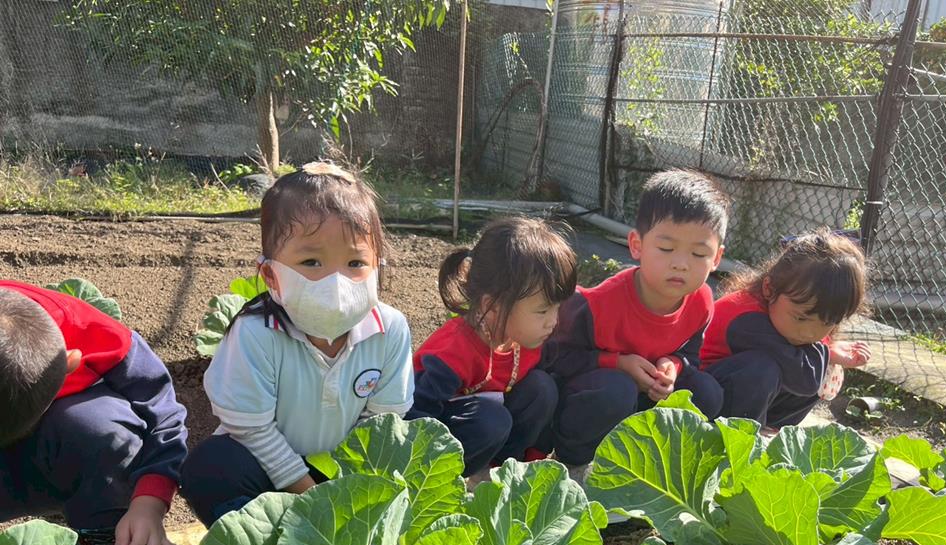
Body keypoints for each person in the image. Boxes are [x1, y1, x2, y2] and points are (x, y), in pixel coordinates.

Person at [180, 162, 414, 525]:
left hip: (339, 473)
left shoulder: (391, 330)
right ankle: (260, 544)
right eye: (312, 261)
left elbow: (380, 426)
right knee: (209, 468)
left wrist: (343, 499)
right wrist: (311, 501)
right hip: (268, 471)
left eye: (355, 262)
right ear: (271, 275)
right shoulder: (255, 333)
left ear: (377, 268)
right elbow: (254, 430)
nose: (336, 282)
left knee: (410, 447)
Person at [0, 281, 185, 545]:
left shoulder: (94, 335)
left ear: (69, 363)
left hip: (53, 452)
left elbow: (164, 417)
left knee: (101, 430)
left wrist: (150, 502)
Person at [542, 168, 729, 467]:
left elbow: (690, 355)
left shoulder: (703, 300)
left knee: (707, 393)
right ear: (636, 245)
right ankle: (575, 460)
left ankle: (654, 459)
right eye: (666, 248)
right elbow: (554, 358)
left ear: (717, 258)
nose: (681, 264)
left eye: (698, 254)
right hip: (592, 396)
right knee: (616, 390)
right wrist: (617, 363)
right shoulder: (597, 305)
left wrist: (673, 366)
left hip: (646, 396)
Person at [409, 217, 577, 476]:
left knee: (542, 388)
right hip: (446, 443)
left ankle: (502, 471)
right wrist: (423, 471)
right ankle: (458, 477)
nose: (553, 322)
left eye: (557, 308)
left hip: (490, 429)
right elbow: (417, 417)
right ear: (493, 306)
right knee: (492, 420)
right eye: (543, 311)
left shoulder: (526, 339)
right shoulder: (452, 352)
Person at [701, 229, 871, 428]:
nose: (810, 332)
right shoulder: (746, 318)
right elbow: (805, 380)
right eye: (801, 318)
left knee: (818, 367)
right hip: (703, 395)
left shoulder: (791, 317)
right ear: (769, 289)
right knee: (765, 369)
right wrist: (828, 354)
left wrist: (827, 356)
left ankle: (765, 426)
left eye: (827, 323)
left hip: (739, 395)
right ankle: (737, 432)